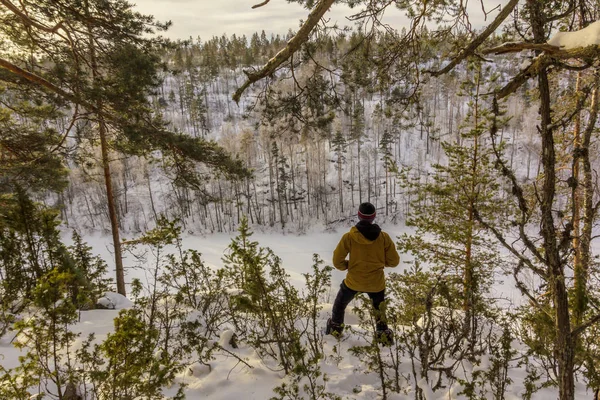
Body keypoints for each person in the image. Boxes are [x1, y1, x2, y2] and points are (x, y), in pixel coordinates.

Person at [327, 202, 400, 343]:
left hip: (353, 281)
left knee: (340, 305)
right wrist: (378, 263)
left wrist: (349, 266)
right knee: (379, 311)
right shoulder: (384, 237)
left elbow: (337, 261)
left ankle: (335, 330)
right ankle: (383, 336)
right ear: (374, 217)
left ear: (359, 216)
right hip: (376, 283)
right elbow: (394, 261)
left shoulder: (349, 237)